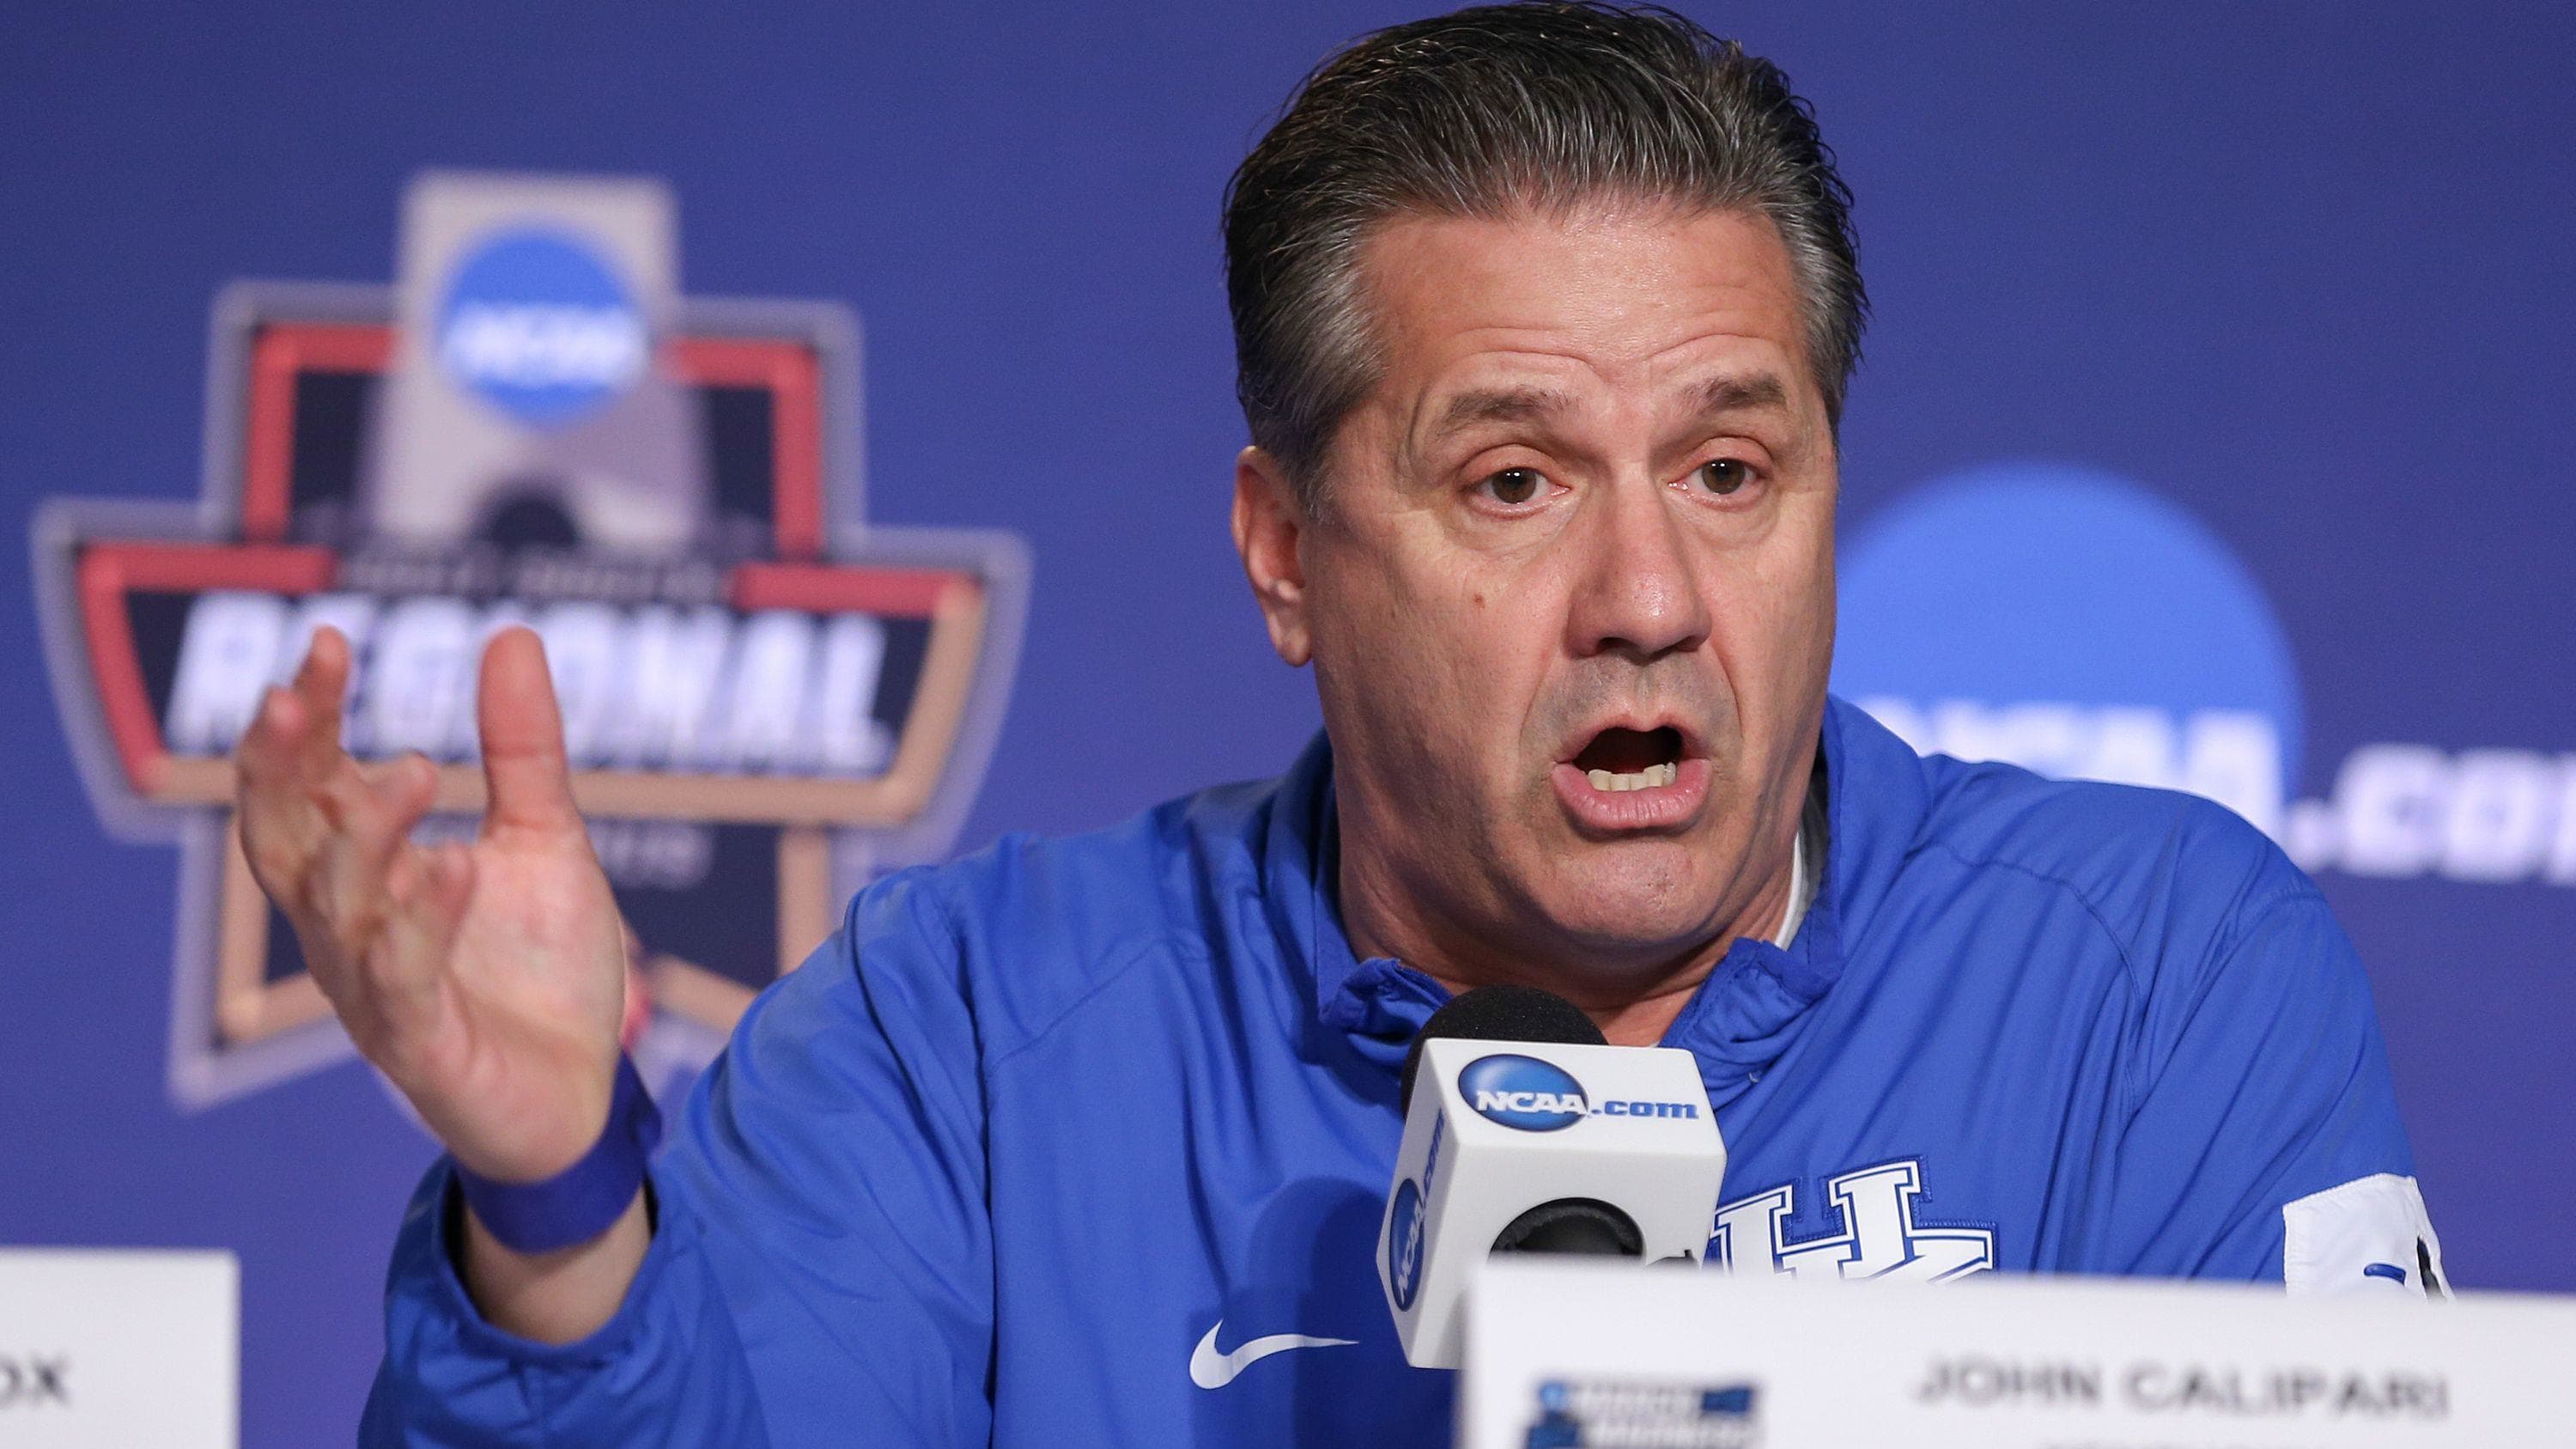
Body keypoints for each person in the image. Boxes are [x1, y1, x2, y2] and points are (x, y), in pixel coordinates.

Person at [235, 4, 2442, 1444]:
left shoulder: (2151, 976)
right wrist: (552, 1203)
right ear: (1286, 550)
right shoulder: (974, 1043)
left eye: (1732, 471)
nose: (1652, 598)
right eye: (1513, 480)